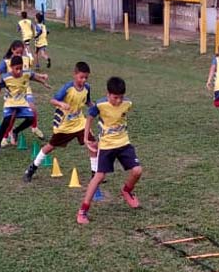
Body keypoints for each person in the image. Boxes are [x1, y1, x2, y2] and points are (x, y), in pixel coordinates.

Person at [77, 76, 142, 225]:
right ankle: (82, 211)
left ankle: (126, 191)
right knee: (99, 177)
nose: (118, 101)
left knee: (137, 171)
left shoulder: (128, 104)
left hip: (124, 143)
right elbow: (89, 118)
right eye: (115, 97)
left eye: (121, 97)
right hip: (106, 146)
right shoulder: (100, 105)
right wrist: (87, 138)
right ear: (108, 94)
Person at [24, 61, 96, 183]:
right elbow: (53, 100)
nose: (84, 80)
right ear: (75, 74)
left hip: (80, 122)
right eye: (81, 77)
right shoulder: (67, 88)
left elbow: (88, 102)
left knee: (93, 143)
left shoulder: (87, 88)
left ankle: (95, 174)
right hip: (65, 124)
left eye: (86, 77)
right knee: (50, 146)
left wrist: (95, 107)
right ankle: (32, 168)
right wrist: (61, 103)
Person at [0, 56, 48, 159]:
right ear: (11, 67)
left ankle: (16, 131)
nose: (19, 71)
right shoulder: (6, 77)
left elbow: (33, 77)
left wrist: (44, 83)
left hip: (21, 102)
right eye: (17, 68)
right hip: (10, 102)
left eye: (20, 68)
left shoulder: (25, 73)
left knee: (30, 118)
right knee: (7, 120)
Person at [0, 41, 45, 142]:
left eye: (21, 53)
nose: (20, 55)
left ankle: (34, 128)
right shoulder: (6, 62)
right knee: (12, 116)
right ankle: (6, 136)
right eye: (17, 53)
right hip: (12, 92)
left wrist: (41, 76)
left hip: (25, 90)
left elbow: (29, 73)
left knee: (33, 109)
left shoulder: (26, 60)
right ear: (12, 50)